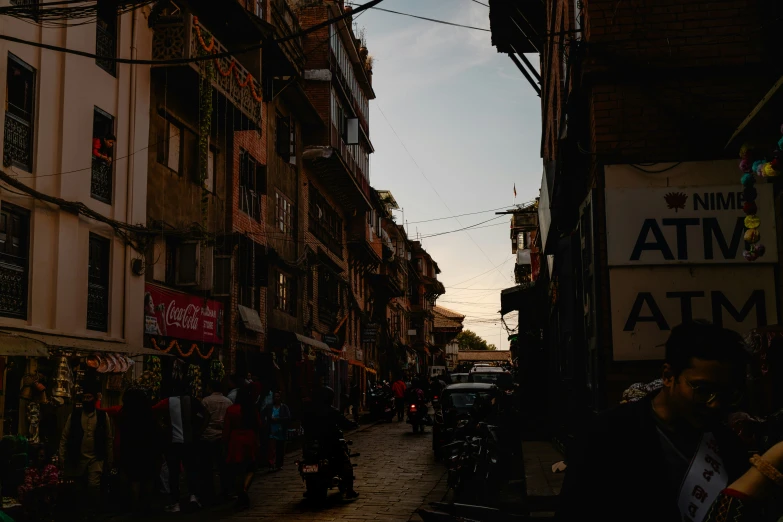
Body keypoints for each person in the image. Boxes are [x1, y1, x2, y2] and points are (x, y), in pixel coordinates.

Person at [555, 321, 751, 522]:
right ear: (668, 376)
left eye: (726, 394)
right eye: (702, 390)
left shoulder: (727, 443)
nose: (715, 404)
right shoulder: (607, 435)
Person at [153, 386, 209, 513]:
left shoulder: (166, 402)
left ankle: (175, 502)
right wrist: (199, 431)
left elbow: (153, 412)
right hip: (190, 442)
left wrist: (162, 427)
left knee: (174, 473)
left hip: (173, 443)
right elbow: (206, 415)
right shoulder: (192, 401)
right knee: (191, 469)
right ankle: (193, 497)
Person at [58, 379, 113, 504]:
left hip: (96, 458)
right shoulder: (74, 416)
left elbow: (108, 438)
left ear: (94, 399)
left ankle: (93, 510)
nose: (87, 400)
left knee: (94, 485)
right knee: (78, 488)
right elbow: (64, 437)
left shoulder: (103, 417)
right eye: (85, 397)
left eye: (89, 397)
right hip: (78, 457)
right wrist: (62, 457)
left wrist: (110, 459)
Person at [301, 386, 359, 499]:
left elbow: (303, 424)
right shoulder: (331, 411)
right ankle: (349, 490)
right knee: (346, 462)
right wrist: (353, 424)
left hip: (312, 444)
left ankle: (310, 489)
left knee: (307, 460)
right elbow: (344, 422)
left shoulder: (309, 411)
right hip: (331, 444)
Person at [115, 387, 159, 511]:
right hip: (147, 449)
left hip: (131, 449)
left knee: (135, 479)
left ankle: (135, 507)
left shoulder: (125, 414)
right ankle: (146, 505)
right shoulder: (148, 413)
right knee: (148, 478)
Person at [223, 385, 262, 510]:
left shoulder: (232, 410)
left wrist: (225, 442)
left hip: (236, 440)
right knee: (251, 467)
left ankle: (241, 492)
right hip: (249, 438)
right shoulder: (251, 409)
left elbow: (226, 429)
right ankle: (244, 489)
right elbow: (259, 424)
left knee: (238, 468)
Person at [200, 381, 232, 502]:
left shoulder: (206, 401)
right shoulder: (228, 401)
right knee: (223, 466)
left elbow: (203, 418)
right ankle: (225, 491)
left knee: (207, 467)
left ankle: (209, 493)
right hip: (222, 436)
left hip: (208, 436)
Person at [18, 444, 59, 519]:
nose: (39, 459)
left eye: (42, 456)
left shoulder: (51, 468)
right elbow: (28, 482)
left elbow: (53, 481)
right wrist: (33, 489)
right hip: (33, 494)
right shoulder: (31, 469)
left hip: (46, 494)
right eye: (38, 456)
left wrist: (40, 488)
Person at [261, 391, 290, 471]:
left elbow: (288, 418)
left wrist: (279, 419)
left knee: (280, 448)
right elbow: (262, 415)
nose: (276, 398)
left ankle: (279, 464)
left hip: (281, 431)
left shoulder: (284, 407)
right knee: (271, 449)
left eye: (278, 396)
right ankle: (271, 464)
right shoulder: (269, 407)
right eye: (275, 396)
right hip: (272, 430)